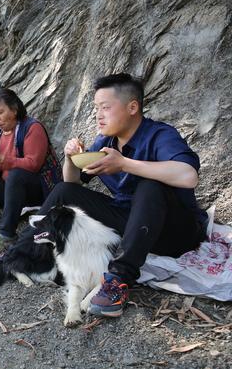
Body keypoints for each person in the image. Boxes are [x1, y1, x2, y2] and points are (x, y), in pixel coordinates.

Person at [18, 73, 207, 318]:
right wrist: (70, 159)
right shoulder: (106, 142)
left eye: (106, 107)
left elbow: (188, 175)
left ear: (132, 107)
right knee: (64, 192)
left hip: (175, 233)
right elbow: (72, 183)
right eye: (96, 108)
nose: (98, 114)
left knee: (149, 186)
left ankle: (117, 280)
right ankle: (21, 251)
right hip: (131, 225)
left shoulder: (160, 135)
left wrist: (125, 164)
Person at [0, 88, 61, 257]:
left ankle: (7, 235)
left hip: (39, 189)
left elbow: (33, 164)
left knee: (15, 174)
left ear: (14, 110)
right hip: (12, 189)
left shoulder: (32, 128)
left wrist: (0, 158)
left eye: (0, 112)